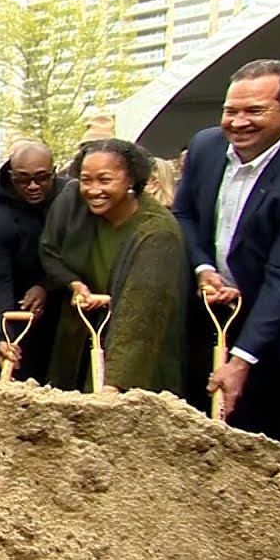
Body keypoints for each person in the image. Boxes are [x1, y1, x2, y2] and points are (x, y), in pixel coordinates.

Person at [173, 59, 280, 437]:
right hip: (210, 306)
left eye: (254, 111)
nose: (238, 123)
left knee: (249, 429)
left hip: (270, 324)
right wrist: (204, 268)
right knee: (189, 419)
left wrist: (241, 360)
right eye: (230, 111)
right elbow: (184, 213)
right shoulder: (205, 146)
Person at [40, 138, 188, 394]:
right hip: (82, 340)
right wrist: (75, 284)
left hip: (134, 355)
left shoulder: (157, 233)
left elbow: (139, 318)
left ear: (131, 180)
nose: (94, 190)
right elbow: (50, 251)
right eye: (86, 180)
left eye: (105, 180)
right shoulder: (74, 204)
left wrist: (113, 386)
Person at [0, 141, 65, 383]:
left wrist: (47, 286)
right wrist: (0, 336)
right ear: (10, 175)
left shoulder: (70, 198)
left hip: (62, 293)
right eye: (23, 179)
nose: (33, 186)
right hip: (11, 296)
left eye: (42, 178)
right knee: (12, 369)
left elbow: (80, 254)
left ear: (54, 172)